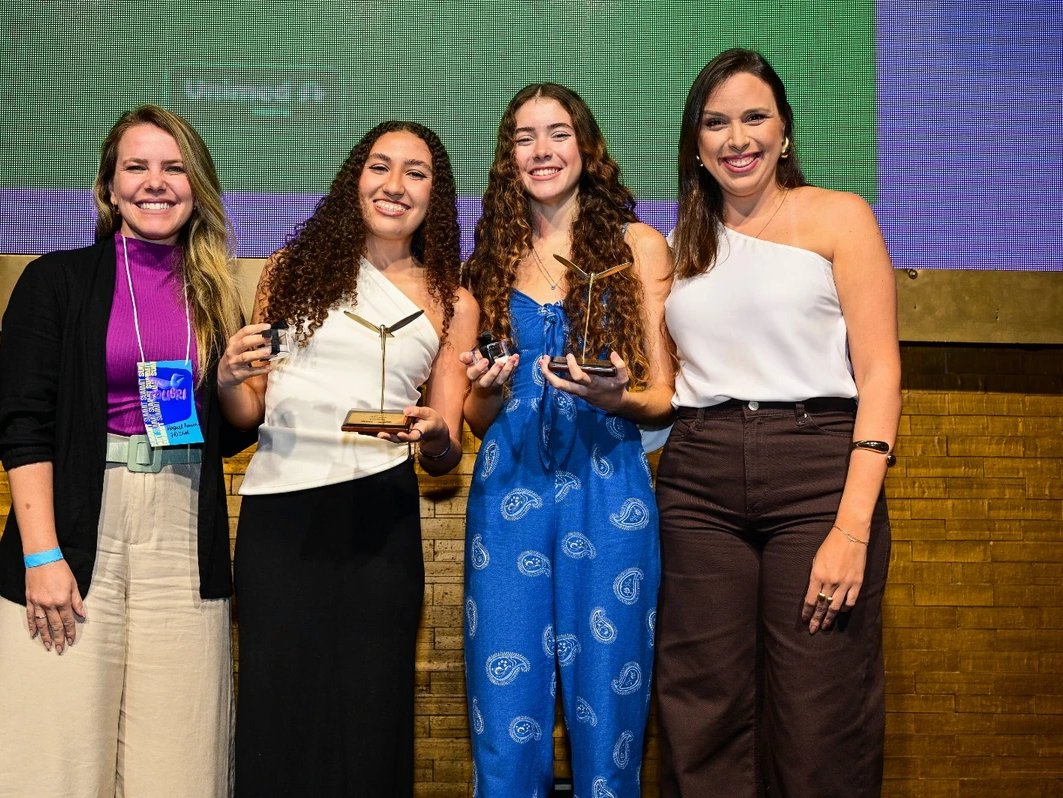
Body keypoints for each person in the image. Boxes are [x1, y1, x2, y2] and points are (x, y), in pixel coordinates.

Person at [0, 105, 250, 797]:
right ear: (108, 186)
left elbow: (233, 433)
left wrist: (234, 383)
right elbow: (24, 427)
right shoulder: (54, 281)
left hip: (184, 534)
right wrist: (42, 557)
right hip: (74, 529)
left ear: (198, 186)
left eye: (174, 167)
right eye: (137, 167)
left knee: (180, 763)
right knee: (51, 756)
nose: (156, 183)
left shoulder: (216, 295)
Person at [654, 48, 901, 797]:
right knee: (702, 709)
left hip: (819, 473)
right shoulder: (680, 246)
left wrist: (852, 527)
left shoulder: (840, 215)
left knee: (819, 711)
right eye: (717, 122)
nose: (737, 138)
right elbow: (664, 388)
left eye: (755, 117)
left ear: (785, 132)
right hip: (697, 481)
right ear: (696, 143)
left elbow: (882, 373)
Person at [218, 120, 477, 797]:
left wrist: (433, 435)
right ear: (352, 180)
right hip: (279, 514)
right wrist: (224, 381)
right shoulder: (290, 271)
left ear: (436, 194)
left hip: (378, 519)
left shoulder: (455, 302)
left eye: (415, 173)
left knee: (370, 714)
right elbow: (250, 409)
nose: (394, 185)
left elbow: (446, 449)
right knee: (279, 712)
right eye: (379, 167)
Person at [460, 83, 673, 797]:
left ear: (586, 145)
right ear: (507, 155)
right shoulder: (489, 260)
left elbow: (664, 394)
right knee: (504, 709)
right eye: (524, 136)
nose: (542, 150)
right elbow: (475, 417)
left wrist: (618, 395)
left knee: (609, 705)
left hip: (610, 487)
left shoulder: (637, 248)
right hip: (507, 485)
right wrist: (487, 390)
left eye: (557, 133)